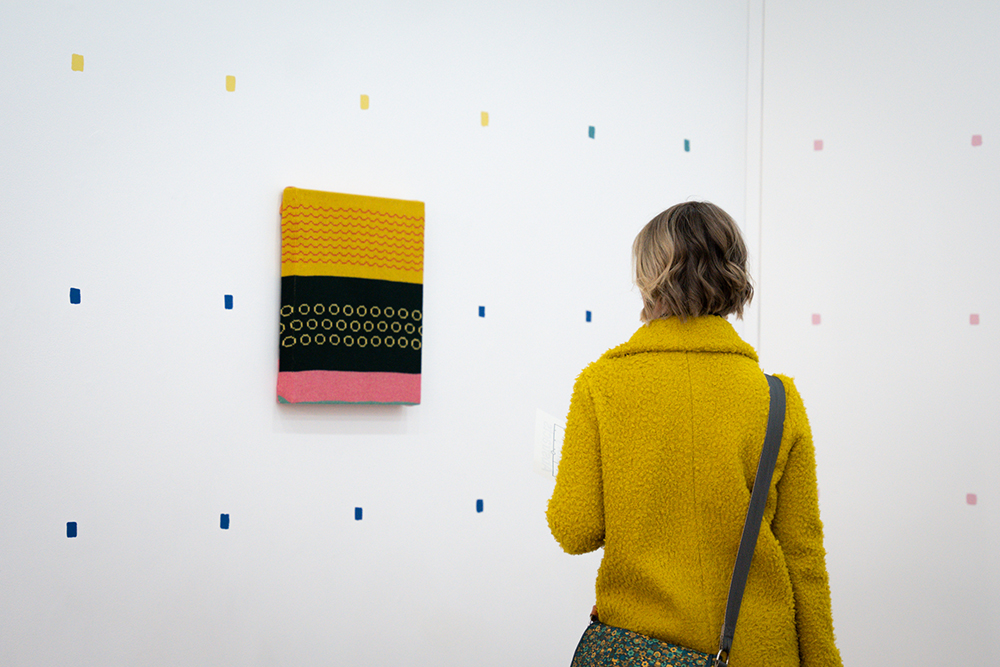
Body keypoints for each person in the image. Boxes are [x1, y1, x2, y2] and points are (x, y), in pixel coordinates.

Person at [546, 202, 842, 667]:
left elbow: (575, 530)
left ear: (649, 277)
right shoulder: (777, 399)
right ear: (733, 274)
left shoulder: (601, 386)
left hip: (640, 650)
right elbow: (803, 555)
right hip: (758, 651)